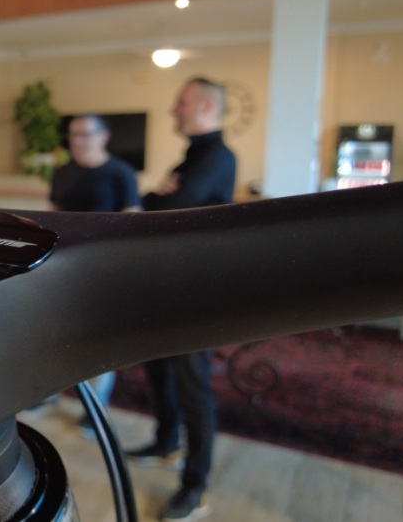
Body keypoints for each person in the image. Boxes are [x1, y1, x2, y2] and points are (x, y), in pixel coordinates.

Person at [130, 77, 236, 522]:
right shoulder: (195, 156)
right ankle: (166, 442)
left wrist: (158, 196)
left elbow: (168, 207)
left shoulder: (217, 157)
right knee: (159, 368)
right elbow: (159, 202)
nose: (174, 109)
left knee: (193, 387)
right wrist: (159, 196)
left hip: (195, 291)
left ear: (207, 107)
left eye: (182, 102)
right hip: (170, 283)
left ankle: (195, 487)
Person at [49, 114, 141, 438]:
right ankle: (49, 393)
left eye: (85, 134)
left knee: (100, 341)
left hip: (105, 270)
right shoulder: (61, 172)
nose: (78, 141)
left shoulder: (121, 173)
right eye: (73, 135)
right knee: (57, 334)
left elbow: (133, 223)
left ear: (103, 136)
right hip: (64, 268)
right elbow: (52, 216)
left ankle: (95, 410)